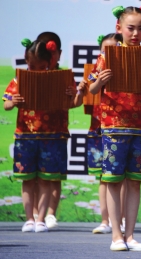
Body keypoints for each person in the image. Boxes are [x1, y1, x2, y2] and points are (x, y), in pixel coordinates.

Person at [89, 5, 141, 251]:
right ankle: (116, 236)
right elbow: (90, 89)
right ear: (119, 28)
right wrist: (100, 81)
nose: (135, 33)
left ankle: (130, 236)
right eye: (130, 28)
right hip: (113, 125)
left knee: (135, 181)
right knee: (113, 180)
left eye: (140, 29)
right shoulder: (108, 55)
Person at [2, 39, 84, 233]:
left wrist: (73, 94)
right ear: (25, 60)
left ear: (50, 62)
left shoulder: (60, 78)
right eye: (32, 66)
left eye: (42, 66)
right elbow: (5, 105)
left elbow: (72, 104)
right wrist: (13, 102)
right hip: (26, 136)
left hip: (52, 136)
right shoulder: (19, 79)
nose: (37, 70)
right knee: (27, 179)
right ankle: (29, 218)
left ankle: (41, 219)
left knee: (47, 179)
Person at [32, 31, 84, 230]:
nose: (48, 58)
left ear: (59, 54)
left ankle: (51, 213)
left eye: (51, 54)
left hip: (57, 131)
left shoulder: (64, 76)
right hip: (33, 132)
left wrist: (72, 95)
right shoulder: (30, 76)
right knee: (35, 175)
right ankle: (36, 212)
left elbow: (73, 104)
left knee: (54, 175)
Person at [89, 33, 124, 234]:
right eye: (105, 49)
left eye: (115, 47)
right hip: (105, 126)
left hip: (127, 125)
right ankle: (105, 220)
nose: (109, 52)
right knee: (106, 177)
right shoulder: (100, 64)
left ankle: (122, 220)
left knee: (126, 177)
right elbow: (93, 90)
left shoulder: (129, 63)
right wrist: (100, 81)